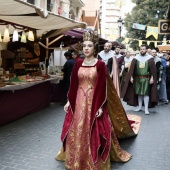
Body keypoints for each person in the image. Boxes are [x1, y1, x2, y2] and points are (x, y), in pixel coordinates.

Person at [56, 30, 141, 169]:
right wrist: (68, 101)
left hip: (94, 101)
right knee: (76, 127)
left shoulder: (100, 65)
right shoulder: (78, 63)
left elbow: (102, 87)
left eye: (89, 46)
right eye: (84, 46)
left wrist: (100, 106)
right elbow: (74, 84)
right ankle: (76, 157)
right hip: (78, 100)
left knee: (92, 128)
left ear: (94, 48)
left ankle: (91, 158)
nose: (86, 48)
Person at [121, 45, 157, 115]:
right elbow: (131, 69)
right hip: (137, 78)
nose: (142, 50)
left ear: (146, 50)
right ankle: (139, 107)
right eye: (141, 49)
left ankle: (146, 109)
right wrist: (131, 77)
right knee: (139, 93)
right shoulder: (136, 58)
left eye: (143, 49)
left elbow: (153, 70)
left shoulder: (150, 59)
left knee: (146, 93)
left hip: (146, 79)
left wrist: (152, 78)